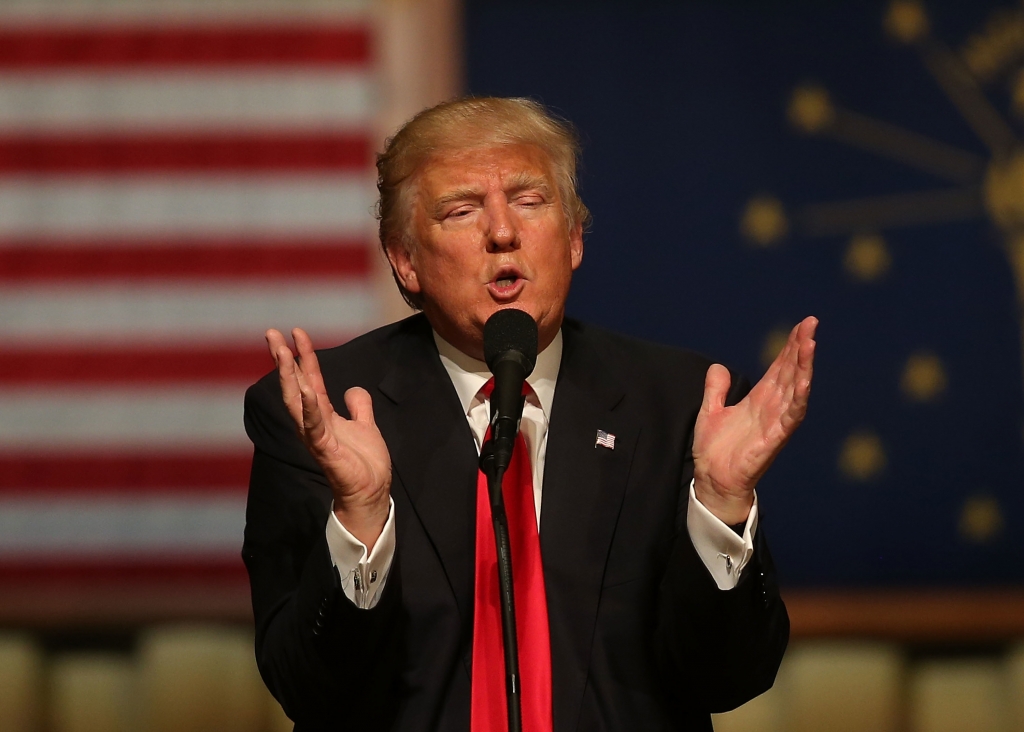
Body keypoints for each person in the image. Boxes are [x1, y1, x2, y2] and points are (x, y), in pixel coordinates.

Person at [242, 97, 816, 732]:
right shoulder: (324, 411)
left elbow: (730, 677)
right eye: (461, 210)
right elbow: (307, 686)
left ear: (572, 239)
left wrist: (720, 504)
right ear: (405, 260)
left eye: (530, 201)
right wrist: (361, 519)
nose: (502, 232)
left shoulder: (676, 402)